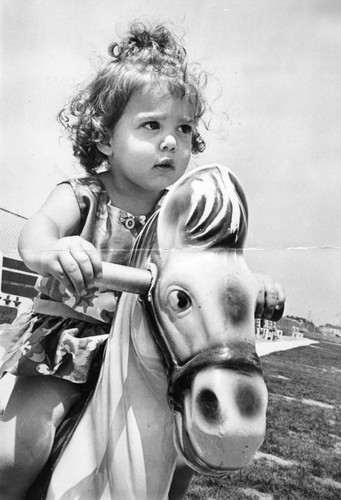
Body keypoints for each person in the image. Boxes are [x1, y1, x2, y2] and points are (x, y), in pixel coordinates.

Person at [0, 22, 285, 499]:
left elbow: (209, 273)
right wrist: (59, 249)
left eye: (185, 129)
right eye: (152, 125)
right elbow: (36, 235)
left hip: (146, 360)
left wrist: (254, 285)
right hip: (71, 352)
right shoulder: (87, 196)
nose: (171, 142)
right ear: (106, 138)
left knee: (182, 453)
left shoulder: (177, 218)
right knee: (20, 447)